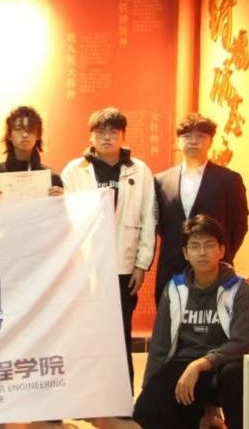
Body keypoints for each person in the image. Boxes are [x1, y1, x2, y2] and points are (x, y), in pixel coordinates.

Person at [61, 107, 156, 392]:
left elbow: (149, 218)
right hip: (85, 267)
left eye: (113, 132)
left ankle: (122, 396)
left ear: (122, 135)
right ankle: (86, 395)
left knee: (120, 332)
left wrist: (141, 264)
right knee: (85, 332)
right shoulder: (74, 171)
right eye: (100, 132)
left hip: (122, 267)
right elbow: (63, 219)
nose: (106, 137)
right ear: (91, 135)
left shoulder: (139, 170)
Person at [133, 215, 249, 429]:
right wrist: (150, 389)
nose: (202, 252)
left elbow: (241, 342)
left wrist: (199, 365)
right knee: (146, 411)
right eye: (195, 246)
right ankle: (201, 419)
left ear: (221, 250)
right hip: (184, 368)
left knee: (236, 375)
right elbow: (160, 346)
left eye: (209, 245)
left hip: (225, 367)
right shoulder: (175, 289)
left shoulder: (239, 289)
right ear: (185, 253)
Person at [154, 113, 248, 305]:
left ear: (210, 141)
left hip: (214, 269)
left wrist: (221, 254)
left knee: (212, 319)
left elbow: (239, 224)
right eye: (187, 136)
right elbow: (159, 224)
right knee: (170, 318)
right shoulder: (161, 181)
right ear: (178, 141)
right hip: (172, 267)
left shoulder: (229, 180)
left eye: (201, 136)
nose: (193, 141)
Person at [0, 105, 63, 202]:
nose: (25, 135)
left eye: (30, 130)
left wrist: (62, 200)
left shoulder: (52, 178)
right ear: (9, 135)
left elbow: (61, 211)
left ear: (38, 135)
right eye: (19, 129)